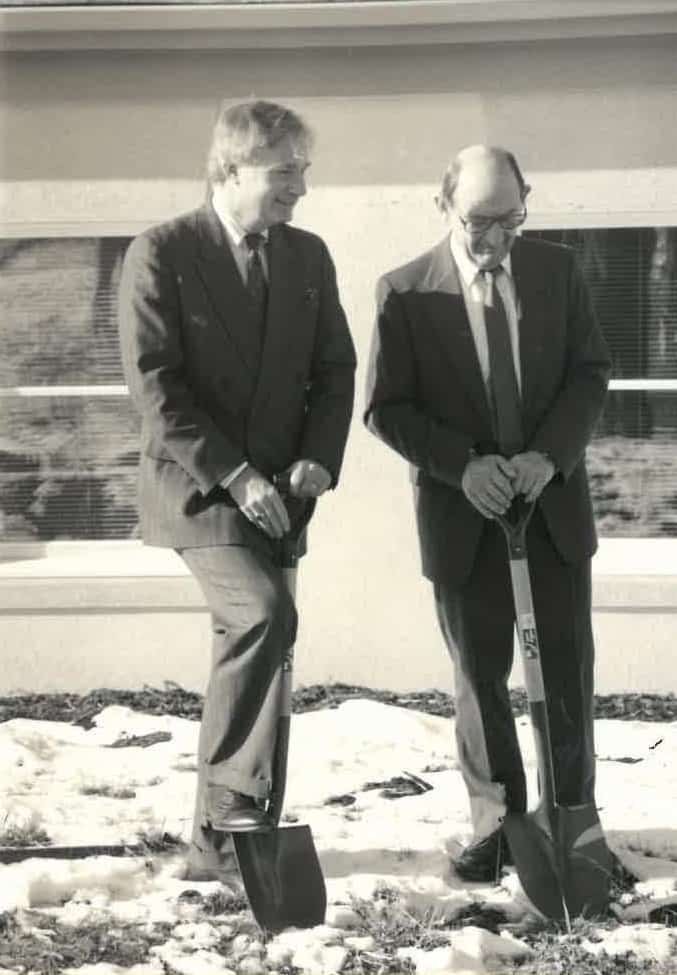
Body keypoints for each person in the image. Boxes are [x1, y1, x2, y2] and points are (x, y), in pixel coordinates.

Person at [119, 99, 356, 879]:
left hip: (283, 493)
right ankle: (236, 807)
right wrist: (237, 474)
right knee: (263, 614)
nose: (300, 188)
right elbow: (159, 393)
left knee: (259, 645)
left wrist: (317, 458)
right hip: (200, 490)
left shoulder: (308, 257)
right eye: (285, 171)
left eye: (303, 171)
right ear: (229, 169)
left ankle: (220, 848)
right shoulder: (159, 253)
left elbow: (333, 371)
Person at [364, 145, 610, 882]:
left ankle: (572, 823)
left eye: (512, 218)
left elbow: (587, 374)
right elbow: (386, 407)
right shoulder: (405, 291)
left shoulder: (557, 272)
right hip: (462, 519)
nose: (497, 239)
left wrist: (548, 456)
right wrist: (461, 466)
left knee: (564, 672)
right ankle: (499, 824)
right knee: (480, 676)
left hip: (551, 511)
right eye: (479, 222)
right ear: (443, 207)